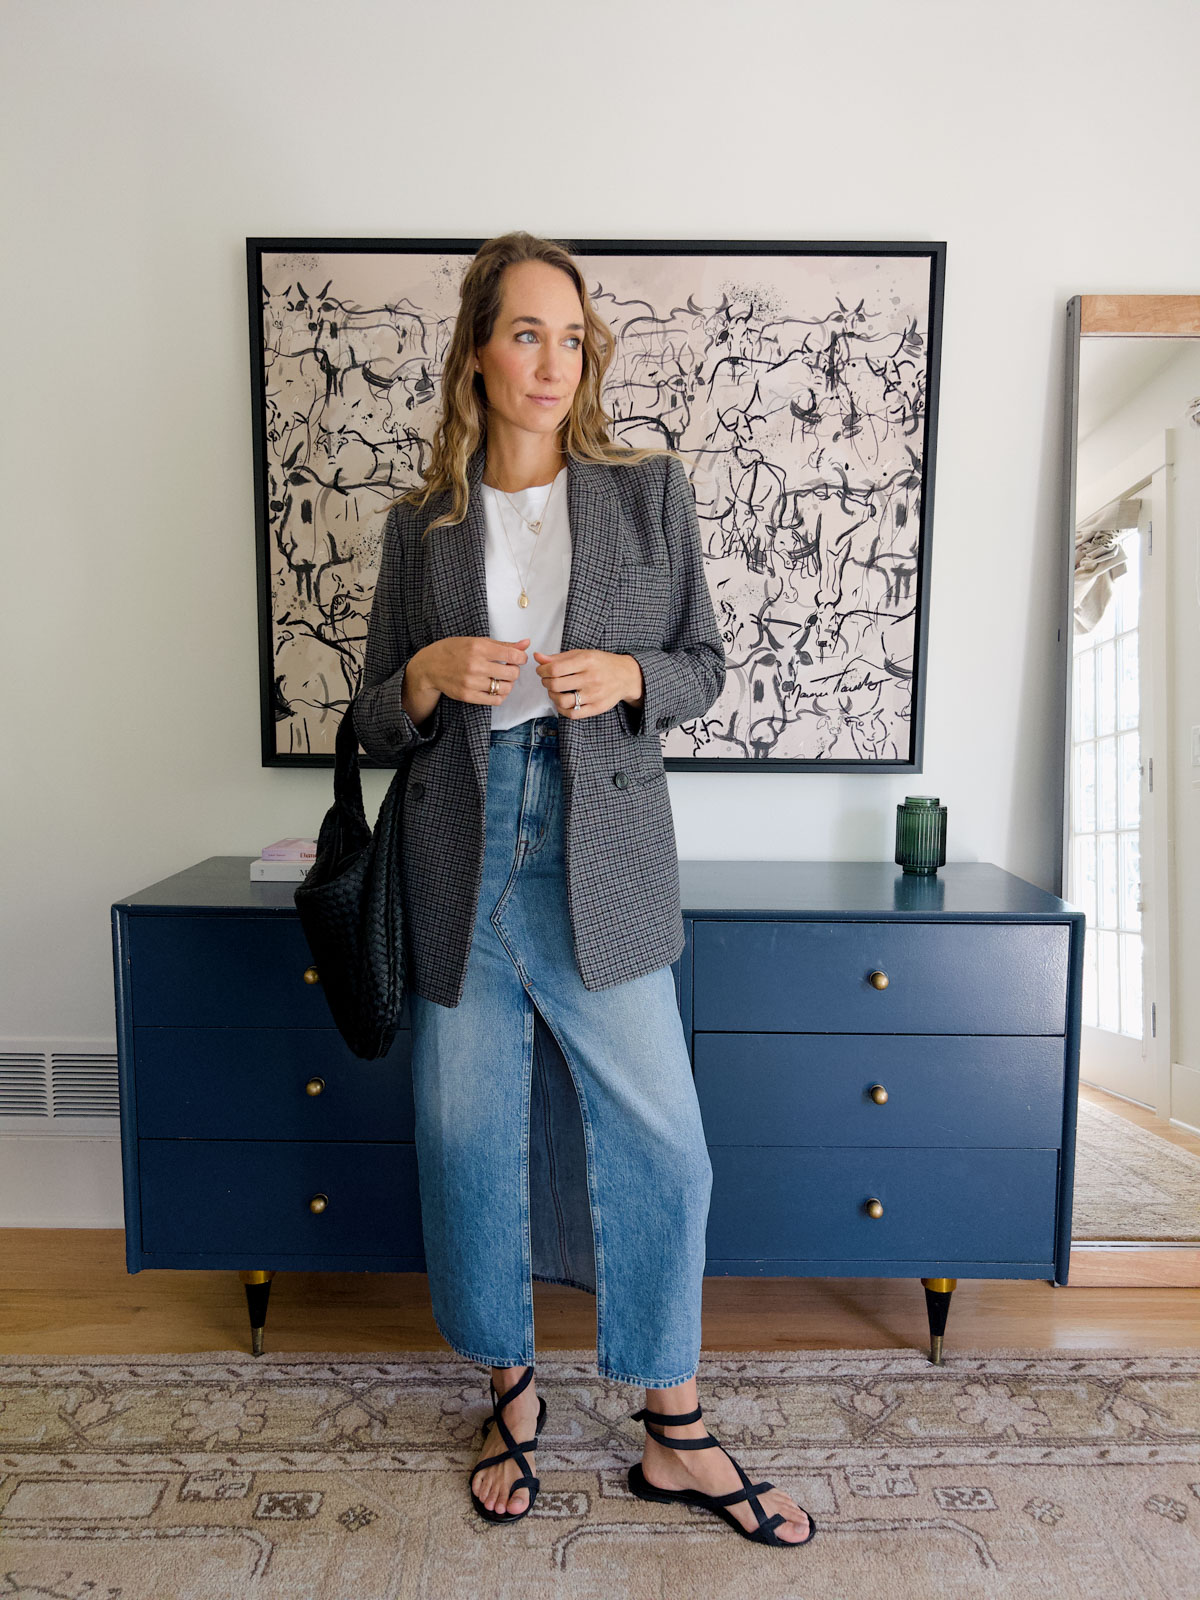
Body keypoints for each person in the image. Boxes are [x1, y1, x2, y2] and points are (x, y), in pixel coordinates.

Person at [353, 230, 814, 1547]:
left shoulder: (645, 492)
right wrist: (427, 674)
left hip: (594, 843)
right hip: (458, 848)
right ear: (479, 352)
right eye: (524, 333)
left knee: (665, 1134)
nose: (551, 360)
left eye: (570, 336)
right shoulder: (420, 524)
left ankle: (674, 1423)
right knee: (466, 1134)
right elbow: (374, 720)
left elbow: (707, 665)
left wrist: (628, 679)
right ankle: (512, 1388)